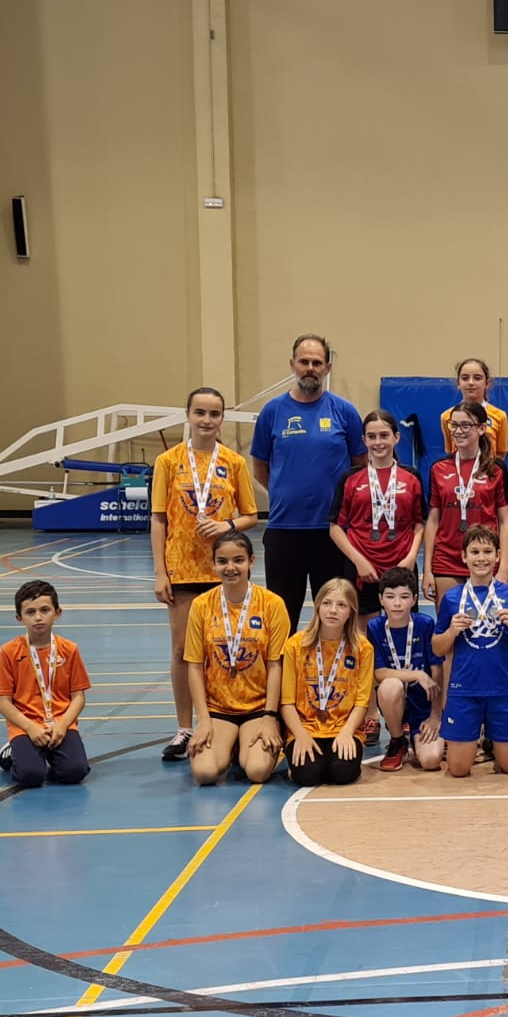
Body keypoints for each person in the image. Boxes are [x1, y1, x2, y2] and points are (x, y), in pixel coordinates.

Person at [151, 386, 260, 762]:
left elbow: (251, 515)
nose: (207, 420)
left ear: (222, 419)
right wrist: (160, 572)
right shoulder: (168, 461)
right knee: (182, 650)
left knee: (224, 649)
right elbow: (159, 519)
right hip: (182, 570)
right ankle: (184, 727)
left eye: (214, 414)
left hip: (223, 571)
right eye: (200, 412)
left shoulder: (234, 462)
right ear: (188, 415)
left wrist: (225, 524)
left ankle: (219, 721)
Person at [249, 336, 366, 631]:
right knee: (281, 620)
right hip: (284, 531)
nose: (310, 368)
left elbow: (361, 466)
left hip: (332, 534)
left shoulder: (344, 411)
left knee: (334, 619)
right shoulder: (272, 412)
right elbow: (260, 467)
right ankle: (283, 664)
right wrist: (286, 493)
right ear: (292, 365)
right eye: (304, 362)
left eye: (317, 362)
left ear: (327, 368)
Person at [183, 531, 289, 785]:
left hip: (259, 708)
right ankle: (231, 745)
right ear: (213, 564)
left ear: (251, 561)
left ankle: (248, 745)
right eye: (222, 561)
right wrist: (203, 720)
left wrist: (270, 717)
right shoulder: (201, 605)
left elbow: (276, 665)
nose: (230, 568)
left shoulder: (272, 604)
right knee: (205, 773)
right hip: (219, 709)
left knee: (257, 771)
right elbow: (195, 667)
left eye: (238, 560)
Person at [434, 525, 508, 776]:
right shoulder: (452, 598)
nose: (481, 558)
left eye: (487, 551)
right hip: (465, 689)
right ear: (464, 556)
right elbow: (437, 647)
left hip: (503, 689)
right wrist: (451, 632)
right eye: (475, 552)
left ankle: (492, 740)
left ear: (498, 555)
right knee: (458, 769)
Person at [329, 409, 427, 635]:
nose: (378, 442)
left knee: (404, 629)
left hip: (402, 564)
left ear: (396, 437)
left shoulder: (411, 476)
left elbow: (419, 524)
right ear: (364, 440)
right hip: (362, 567)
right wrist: (358, 561)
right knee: (363, 634)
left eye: (384, 435)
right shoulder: (350, 478)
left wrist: (411, 557)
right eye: (371, 437)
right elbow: (335, 528)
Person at [0, 580, 91, 788]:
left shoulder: (69, 649)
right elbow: (3, 702)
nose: (38, 617)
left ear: (57, 613)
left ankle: (48, 755)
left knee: (75, 772)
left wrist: (63, 725)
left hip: (60, 724)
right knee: (30, 776)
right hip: (25, 726)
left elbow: (78, 697)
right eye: (30, 612)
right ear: (19, 618)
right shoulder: (9, 652)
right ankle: (13, 751)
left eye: (45, 610)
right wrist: (30, 727)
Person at [282, 578, 374, 787]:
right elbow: (286, 702)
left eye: (341, 605)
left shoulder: (362, 648)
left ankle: (332, 758)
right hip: (305, 727)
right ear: (317, 607)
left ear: (351, 612)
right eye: (327, 603)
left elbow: (362, 701)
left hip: (342, 727)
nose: (333, 610)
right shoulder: (296, 645)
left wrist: (348, 732)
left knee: (343, 773)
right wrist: (300, 735)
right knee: (307, 776)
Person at [425, 400, 508, 607]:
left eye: (466, 425)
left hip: (484, 555)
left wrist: (503, 568)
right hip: (446, 558)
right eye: (454, 425)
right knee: (450, 621)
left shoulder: (496, 468)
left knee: (485, 621)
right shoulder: (438, 468)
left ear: (481, 428)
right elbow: (433, 520)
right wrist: (427, 568)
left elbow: (505, 520)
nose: (458, 431)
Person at [367, 567, 442, 772]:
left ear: (414, 599)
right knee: (390, 686)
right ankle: (398, 740)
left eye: (404, 596)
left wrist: (435, 716)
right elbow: (380, 673)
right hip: (394, 699)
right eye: (390, 597)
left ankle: (420, 737)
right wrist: (417, 674)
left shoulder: (425, 624)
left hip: (423, 705)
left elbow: (437, 671)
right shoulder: (374, 627)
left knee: (431, 760)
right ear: (381, 599)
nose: (397, 603)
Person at [440, 357, 508, 459]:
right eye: (465, 378)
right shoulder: (446, 416)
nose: (471, 383)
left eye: (477, 378)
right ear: (458, 383)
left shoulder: (499, 416)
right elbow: (450, 450)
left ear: (487, 383)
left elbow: (500, 454)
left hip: (488, 468)